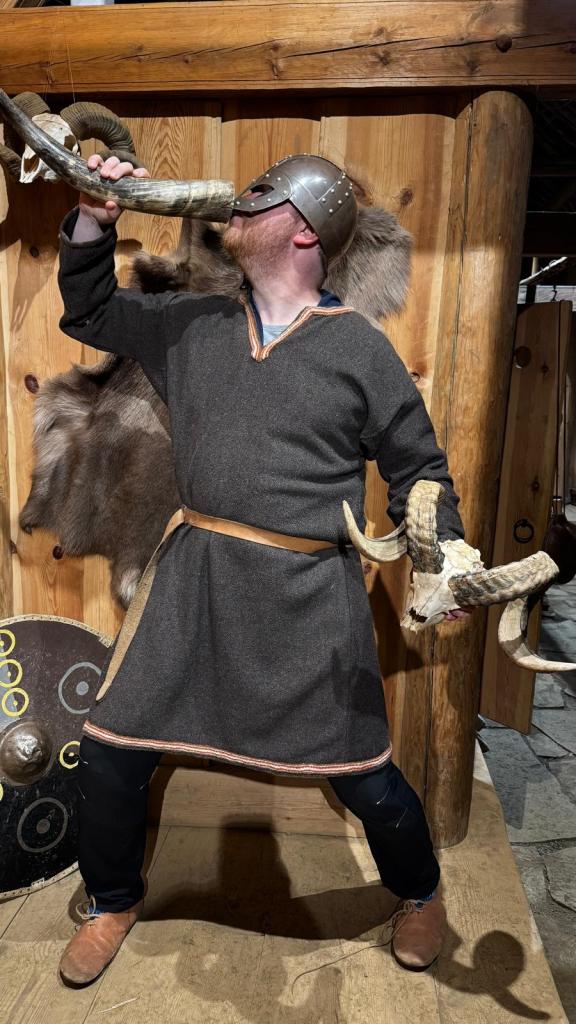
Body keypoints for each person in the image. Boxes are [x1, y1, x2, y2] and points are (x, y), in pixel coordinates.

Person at [56, 152, 471, 987]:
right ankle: (112, 899)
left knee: (363, 777)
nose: (236, 211)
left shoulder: (360, 348)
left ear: (307, 230)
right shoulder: (192, 322)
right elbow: (90, 309)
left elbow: (420, 470)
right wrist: (95, 220)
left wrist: (442, 563)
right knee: (110, 749)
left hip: (307, 595)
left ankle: (420, 893)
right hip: (194, 578)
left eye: (258, 201)